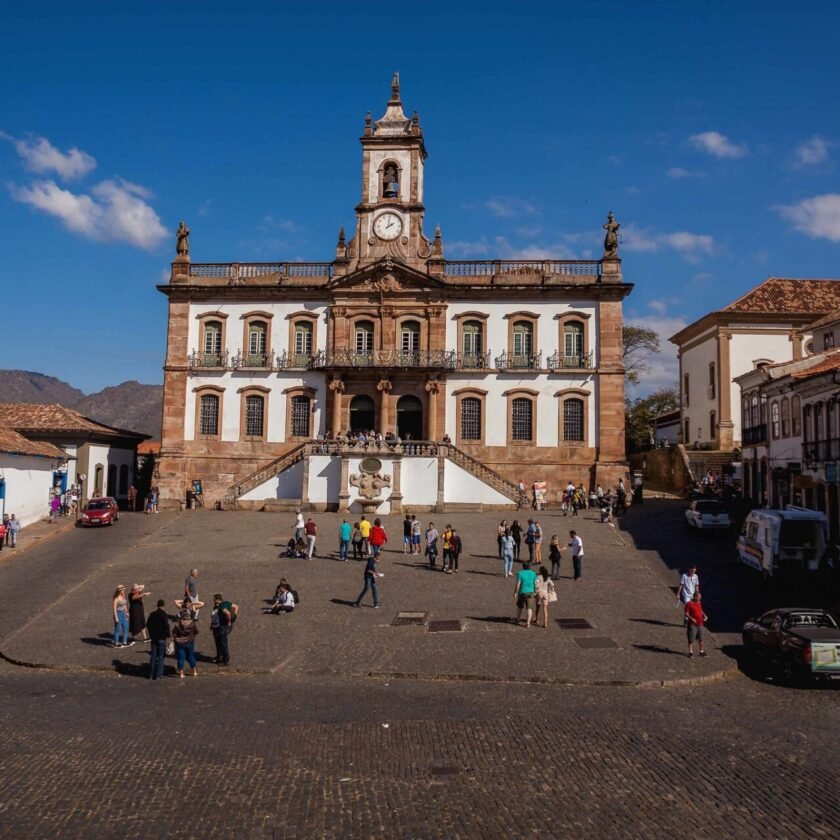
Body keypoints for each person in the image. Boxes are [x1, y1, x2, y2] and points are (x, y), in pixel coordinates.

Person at [172, 607, 199, 678]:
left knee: (181, 658)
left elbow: (174, 633)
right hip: (189, 642)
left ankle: (181, 673)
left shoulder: (177, 624)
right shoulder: (192, 623)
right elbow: (196, 631)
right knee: (191, 656)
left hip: (179, 643)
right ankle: (194, 671)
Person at [146, 599, 170, 680]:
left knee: (153, 656)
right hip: (161, 638)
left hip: (154, 638)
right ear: (163, 606)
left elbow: (148, 624)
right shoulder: (164, 615)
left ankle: (151, 674)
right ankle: (158, 674)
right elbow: (166, 626)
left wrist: (151, 634)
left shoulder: (152, 614)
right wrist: (168, 635)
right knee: (160, 656)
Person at [214, 593, 238, 666]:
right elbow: (236, 607)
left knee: (223, 643)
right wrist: (235, 616)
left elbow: (227, 613)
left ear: (218, 600)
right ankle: (220, 657)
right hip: (226, 626)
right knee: (221, 641)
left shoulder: (221, 606)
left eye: (214, 600)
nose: (214, 601)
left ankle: (225, 660)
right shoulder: (226, 603)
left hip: (223, 626)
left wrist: (229, 620)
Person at [514, 561, 538, 628]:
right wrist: (535, 591)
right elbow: (536, 583)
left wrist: (515, 592)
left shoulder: (520, 573)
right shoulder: (533, 573)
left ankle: (518, 620)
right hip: (531, 592)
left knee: (520, 607)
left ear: (523, 566)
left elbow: (518, 584)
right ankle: (528, 623)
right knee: (529, 608)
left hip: (522, 592)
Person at [685, 591, 708, 658]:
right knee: (691, 639)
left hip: (700, 623)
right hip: (693, 624)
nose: (700, 598)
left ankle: (701, 651)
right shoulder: (689, 604)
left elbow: (700, 610)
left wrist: (705, 615)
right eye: (698, 597)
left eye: (700, 597)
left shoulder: (699, 602)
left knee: (701, 638)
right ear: (694, 597)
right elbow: (686, 613)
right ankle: (690, 652)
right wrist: (691, 618)